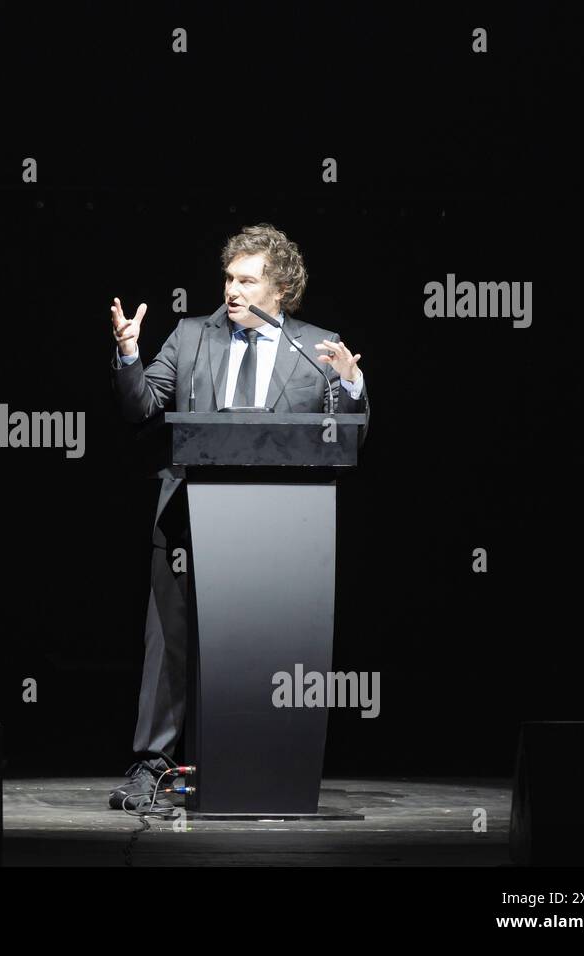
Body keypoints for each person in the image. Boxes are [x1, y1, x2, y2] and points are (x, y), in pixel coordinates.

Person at [106, 223, 370, 810]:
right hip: (186, 521)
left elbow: (348, 435)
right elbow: (142, 410)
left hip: (281, 530)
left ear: (281, 289)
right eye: (229, 278)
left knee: (266, 648)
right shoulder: (191, 335)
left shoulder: (317, 349)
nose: (233, 290)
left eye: (248, 281)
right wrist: (128, 355)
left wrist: (351, 384)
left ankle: (263, 764)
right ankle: (152, 767)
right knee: (169, 646)